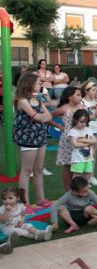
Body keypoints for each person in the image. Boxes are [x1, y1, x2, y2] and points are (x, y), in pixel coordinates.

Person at [12, 73, 53, 212]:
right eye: (38, 82)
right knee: (26, 170)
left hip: (40, 136)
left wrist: (43, 117)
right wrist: (42, 117)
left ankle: (41, 198)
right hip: (28, 138)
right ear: (29, 83)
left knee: (39, 169)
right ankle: (25, 203)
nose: (41, 84)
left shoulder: (37, 99)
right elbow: (37, 117)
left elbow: (48, 116)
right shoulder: (22, 100)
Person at [52, 86, 85, 190]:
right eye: (78, 95)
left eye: (80, 95)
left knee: (79, 163)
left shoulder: (81, 107)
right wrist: (60, 126)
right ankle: (68, 189)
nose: (80, 97)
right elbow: (49, 117)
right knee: (67, 165)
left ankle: (78, 187)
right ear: (70, 97)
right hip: (68, 140)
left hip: (81, 138)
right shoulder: (64, 108)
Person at [81, 81, 97, 186]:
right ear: (86, 91)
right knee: (85, 154)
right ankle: (83, 177)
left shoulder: (96, 102)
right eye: (93, 90)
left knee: (93, 153)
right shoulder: (82, 102)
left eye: (96, 90)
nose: (95, 92)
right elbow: (85, 118)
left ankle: (91, 176)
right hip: (86, 130)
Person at [68, 109, 97, 183]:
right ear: (75, 120)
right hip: (78, 159)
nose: (84, 124)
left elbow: (95, 140)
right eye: (81, 122)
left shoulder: (88, 130)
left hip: (88, 158)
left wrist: (82, 140)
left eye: (85, 122)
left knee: (88, 173)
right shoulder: (73, 131)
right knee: (77, 175)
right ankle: (76, 190)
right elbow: (75, 144)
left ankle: (84, 187)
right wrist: (88, 143)